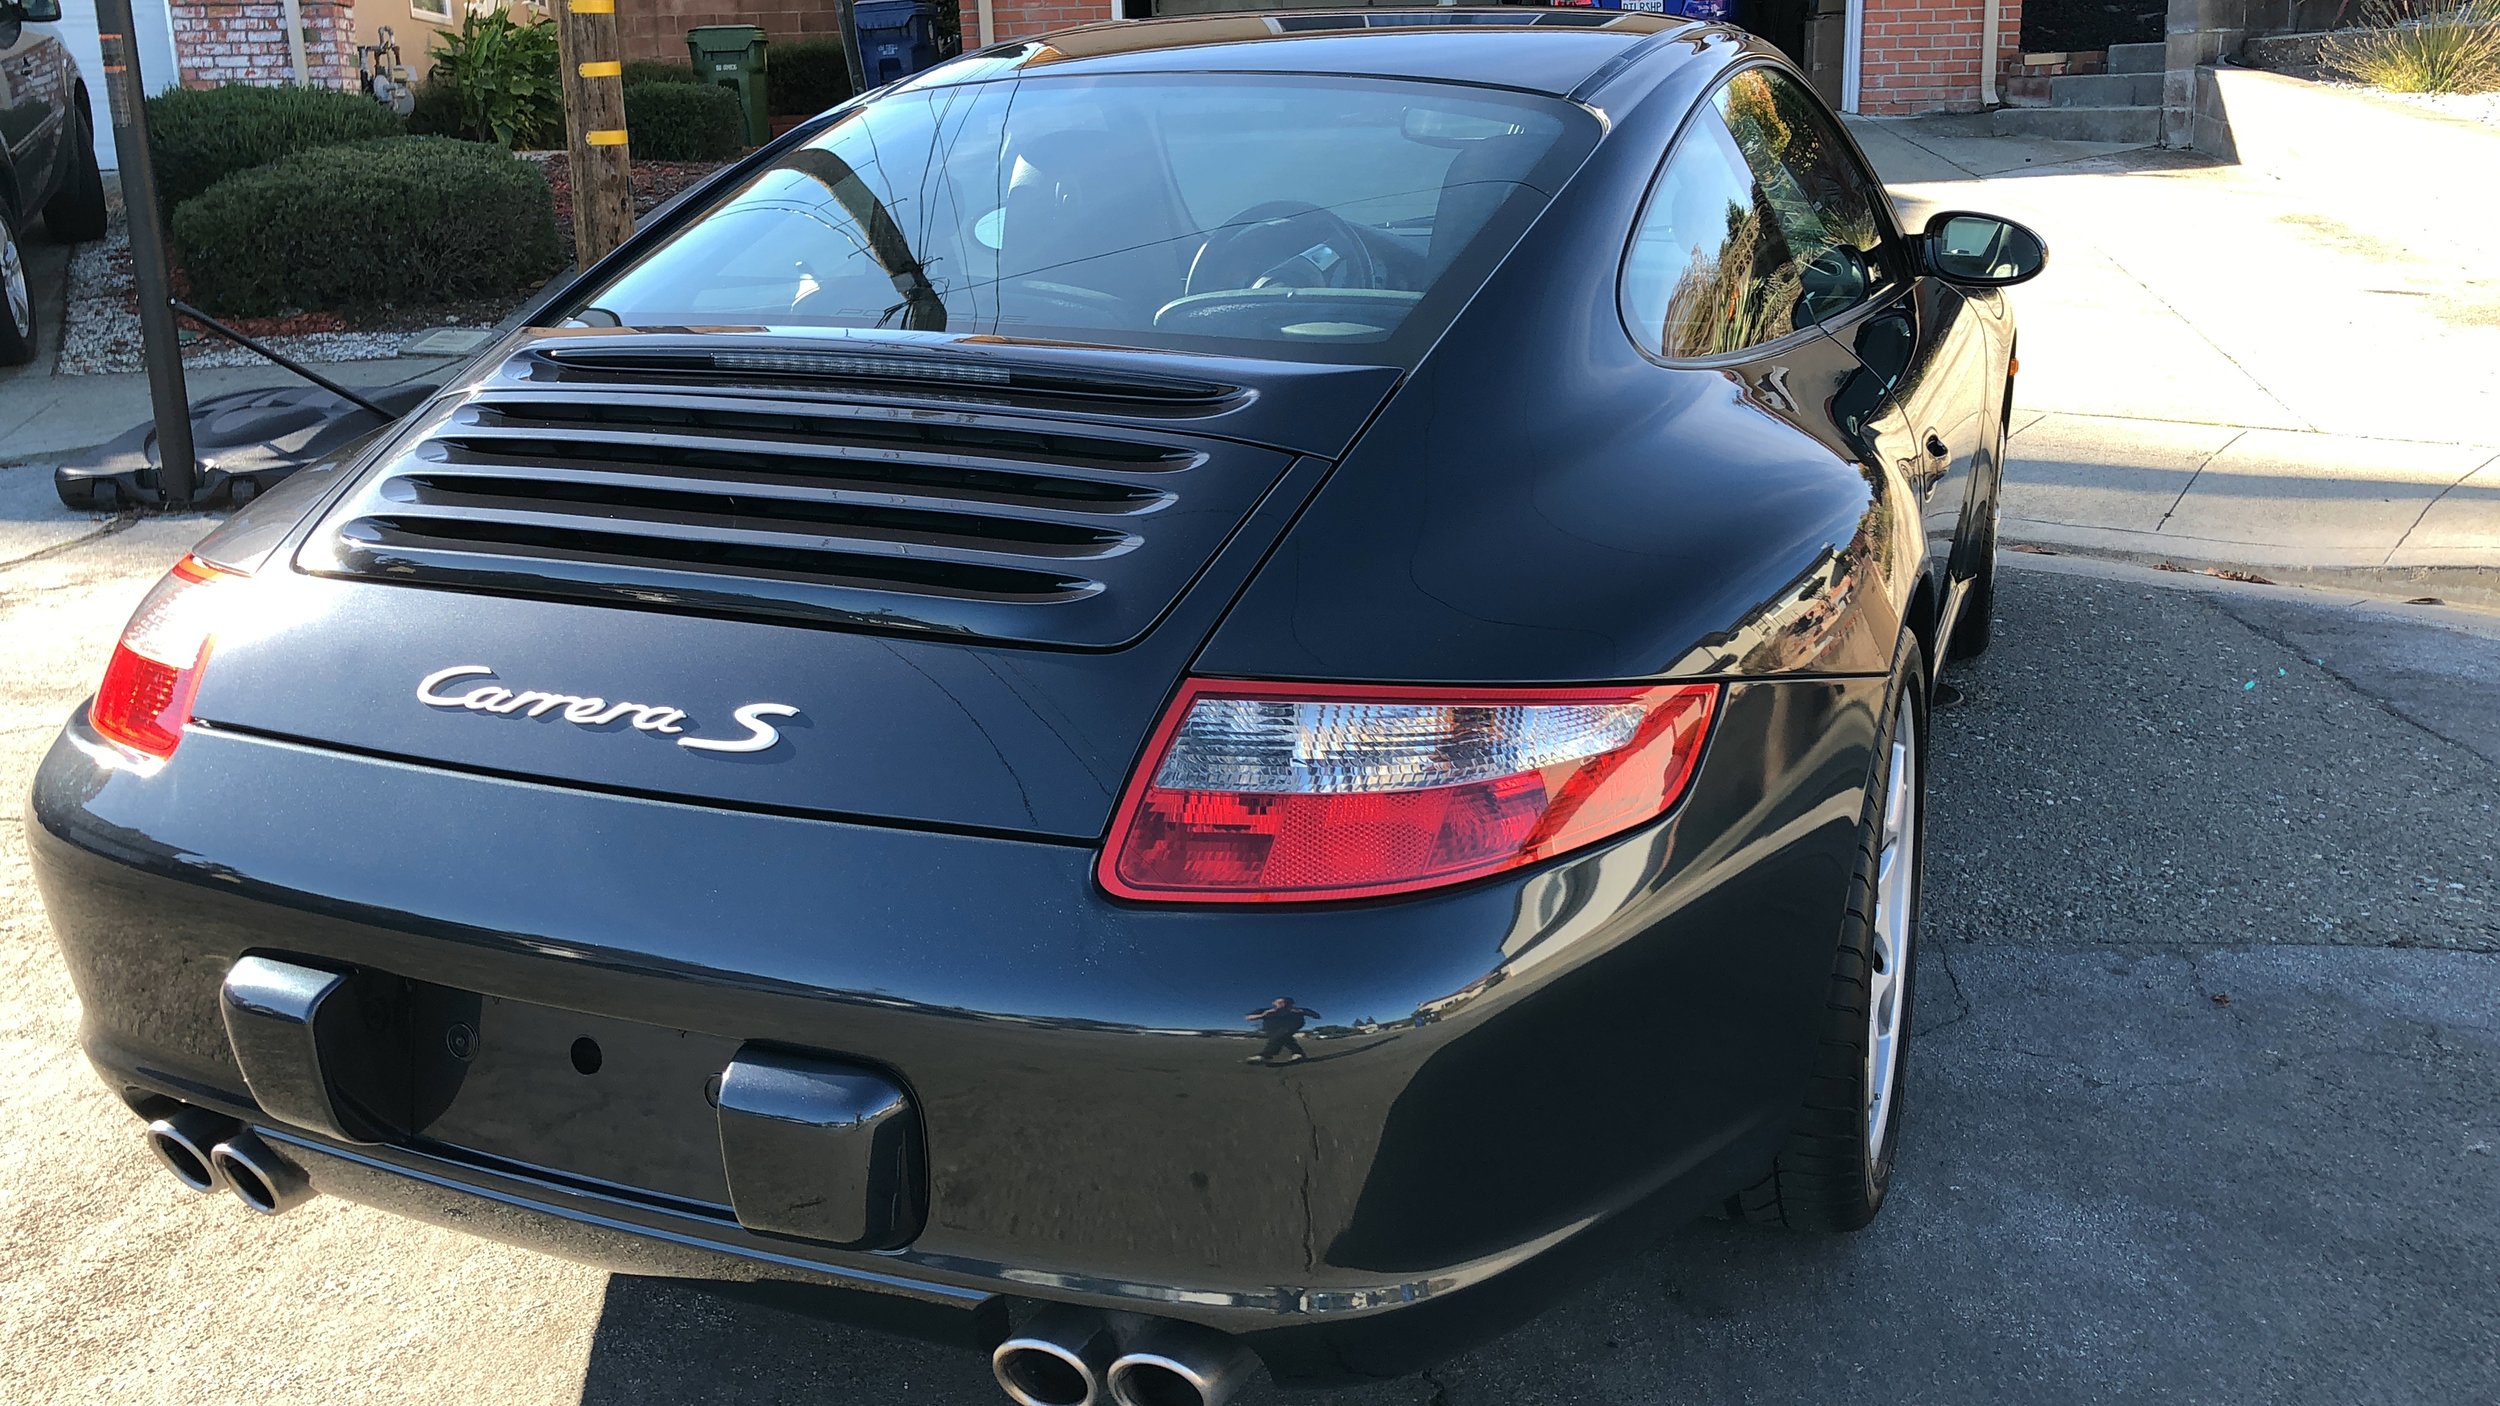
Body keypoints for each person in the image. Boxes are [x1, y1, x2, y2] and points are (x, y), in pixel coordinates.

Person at [1244, 997, 1321, 1065]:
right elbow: (1248, 1018)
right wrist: (1263, 1015)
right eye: (1280, 1002)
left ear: (1291, 1004)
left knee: (1282, 1034)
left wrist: (1302, 1011)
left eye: (1286, 1003)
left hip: (1291, 1026)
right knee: (1284, 1038)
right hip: (1272, 1029)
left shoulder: (1297, 1010)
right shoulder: (1266, 1011)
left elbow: (1317, 1016)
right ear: (1274, 1003)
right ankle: (1298, 1054)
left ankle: (1265, 1055)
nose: (1283, 1005)